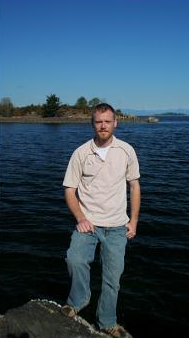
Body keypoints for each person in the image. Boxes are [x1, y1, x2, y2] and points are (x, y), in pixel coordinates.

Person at [61, 103, 141, 337]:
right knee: (74, 259)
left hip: (117, 226)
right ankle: (78, 300)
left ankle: (107, 322)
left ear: (116, 122)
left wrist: (134, 221)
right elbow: (69, 189)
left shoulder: (126, 150)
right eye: (98, 121)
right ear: (92, 124)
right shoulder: (81, 153)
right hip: (89, 224)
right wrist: (80, 218)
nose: (103, 126)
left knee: (112, 278)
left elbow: (134, 186)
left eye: (108, 121)